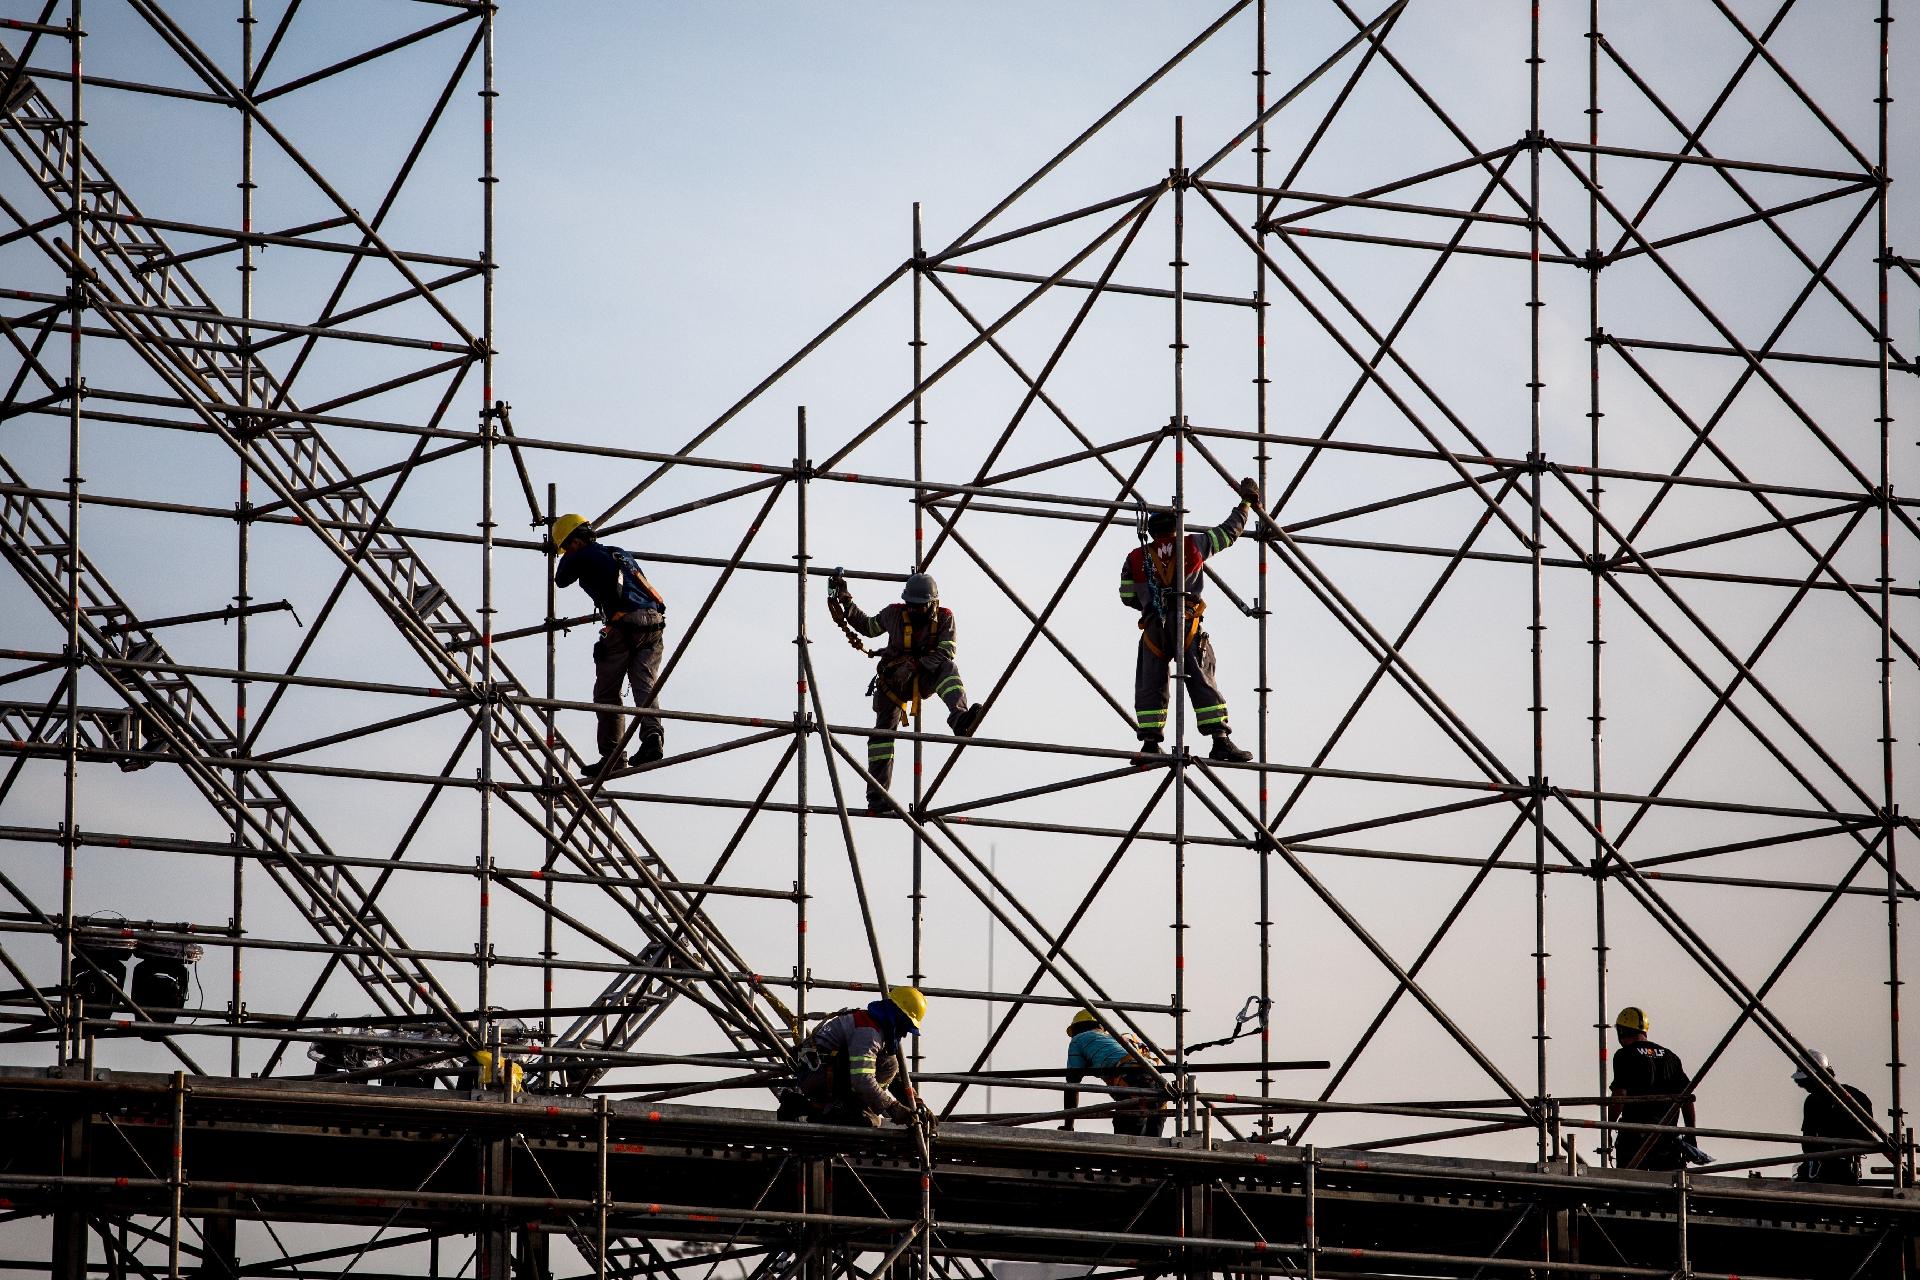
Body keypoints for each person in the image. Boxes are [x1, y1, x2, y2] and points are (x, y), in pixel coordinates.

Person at [1119, 478, 1261, 760]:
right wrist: (1246, 503)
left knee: (1150, 684)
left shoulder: (1136, 557)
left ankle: (1149, 745)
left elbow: (1126, 596)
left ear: (1151, 530)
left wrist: (1151, 605)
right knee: (1200, 676)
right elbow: (1229, 533)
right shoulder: (1193, 545)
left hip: (1153, 628)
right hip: (1186, 622)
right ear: (1177, 525)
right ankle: (1220, 741)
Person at [827, 572, 985, 812]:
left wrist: (914, 665)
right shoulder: (894, 614)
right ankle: (878, 795)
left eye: (919, 607)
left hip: (923, 677)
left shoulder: (944, 618)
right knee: (881, 737)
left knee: (948, 668)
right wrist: (846, 602)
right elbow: (868, 627)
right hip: (893, 684)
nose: (914, 610)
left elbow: (946, 652)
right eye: (911, 605)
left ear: (932, 604)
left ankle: (960, 719)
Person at [552, 513, 667, 777]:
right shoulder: (618, 553)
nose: (566, 552)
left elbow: (561, 579)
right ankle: (652, 738)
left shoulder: (582, 554)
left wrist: (566, 552)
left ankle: (613, 756)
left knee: (607, 694)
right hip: (653, 623)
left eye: (567, 546)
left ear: (576, 541)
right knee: (644, 684)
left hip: (625, 624)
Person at [778, 986, 931, 1127]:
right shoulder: (868, 1032)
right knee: (865, 1121)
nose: (904, 1034)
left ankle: (828, 1109)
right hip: (818, 1075)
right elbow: (862, 1079)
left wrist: (916, 1104)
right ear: (897, 1017)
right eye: (905, 1027)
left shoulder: (877, 1030)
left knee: (890, 1064)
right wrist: (892, 1106)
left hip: (826, 1074)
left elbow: (895, 1077)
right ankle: (810, 1109)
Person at [1609, 1006, 1696, 1171]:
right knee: (1667, 1190)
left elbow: (1619, 1096)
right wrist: (1691, 1135)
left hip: (1634, 1139)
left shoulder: (1624, 1055)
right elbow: (1687, 1099)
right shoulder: (1671, 1057)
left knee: (1630, 1189)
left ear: (1621, 1030)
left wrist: (1608, 1125)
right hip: (1667, 1141)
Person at [1061, 1007, 1170, 1137]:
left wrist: (1069, 1126)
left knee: (1126, 1140)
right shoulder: (1117, 1039)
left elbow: (1072, 1085)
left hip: (1132, 1080)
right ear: (1101, 1026)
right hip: (1159, 1084)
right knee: (1153, 1146)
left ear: (1076, 1029)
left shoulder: (1078, 1039)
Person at [1793, 1049, 1876, 1185]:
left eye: (1808, 1083)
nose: (1807, 1088)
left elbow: (1866, 1136)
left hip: (1843, 1164)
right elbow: (1808, 1140)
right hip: (1824, 1163)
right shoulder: (1812, 1102)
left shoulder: (1855, 1098)